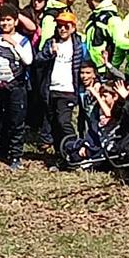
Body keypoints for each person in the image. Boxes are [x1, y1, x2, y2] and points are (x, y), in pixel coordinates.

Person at [0, 6, 34, 169]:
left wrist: (13, 44)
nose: (5, 23)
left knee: (16, 123)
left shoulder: (22, 40)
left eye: (8, 20)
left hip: (15, 86)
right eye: (2, 20)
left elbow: (29, 60)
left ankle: (16, 157)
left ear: (16, 22)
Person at [35, 10, 88, 170]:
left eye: (66, 26)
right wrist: (50, 53)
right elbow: (37, 60)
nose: (62, 29)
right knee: (54, 125)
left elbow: (86, 65)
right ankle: (61, 155)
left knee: (64, 122)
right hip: (51, 90)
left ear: (73, 27)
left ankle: (75, 152)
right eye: (59, 26)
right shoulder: (51, 43)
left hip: (69, 91)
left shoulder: (79, 45)